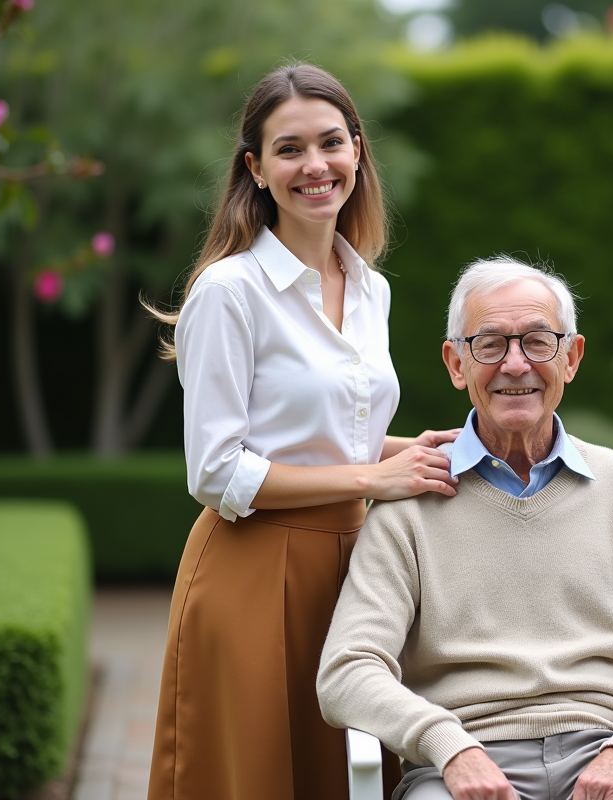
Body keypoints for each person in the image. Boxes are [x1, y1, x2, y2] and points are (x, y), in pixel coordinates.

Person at [144, 62, 460, 800]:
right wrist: (371, 478)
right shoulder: (230, 292)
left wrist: (405, 451)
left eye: (330, 143)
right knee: (253, 775)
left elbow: (332, 436)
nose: (314, 166)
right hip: (253, 571)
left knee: (348, 775)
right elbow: (217, 473)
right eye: (289, 149)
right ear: (254, 168)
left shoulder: (371, 287)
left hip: (361, 569)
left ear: (358, 152)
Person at [317, 257, 613, 800]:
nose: (515, 365)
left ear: (571, 358)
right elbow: (347, 670)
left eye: (537, 341)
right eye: (489, 344)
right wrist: (448, 746)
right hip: (465, 759)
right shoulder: (408, 505)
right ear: (456, 364)